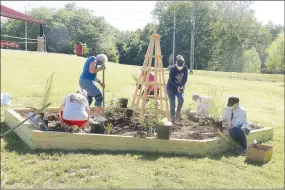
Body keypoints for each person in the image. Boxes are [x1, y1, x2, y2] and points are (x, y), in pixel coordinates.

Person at [79, 54, 107, 122]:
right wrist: (101, 68)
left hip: (84, 81)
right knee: (99, 96)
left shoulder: (94, 62)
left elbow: (92, 75)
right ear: (100, 61)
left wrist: (100, 82)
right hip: (86, 81)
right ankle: (97, 116)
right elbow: (92, 71)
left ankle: (84, 116)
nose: (101, 64)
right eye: (101, 63)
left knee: (89, 99)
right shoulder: (93, 58)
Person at [166, 55, 188, 123]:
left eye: (181, 68)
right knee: (172, 103)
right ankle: (172, 117)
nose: (180, 69)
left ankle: (178, 113)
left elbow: (185, 79)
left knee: (181, 99)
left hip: (179, 87)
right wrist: (177, 87)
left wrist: (181, 86)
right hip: (171, 88)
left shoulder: (185, 68)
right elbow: (171, 80)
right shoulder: (172, 69)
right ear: (176, 64)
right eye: (179, 68)